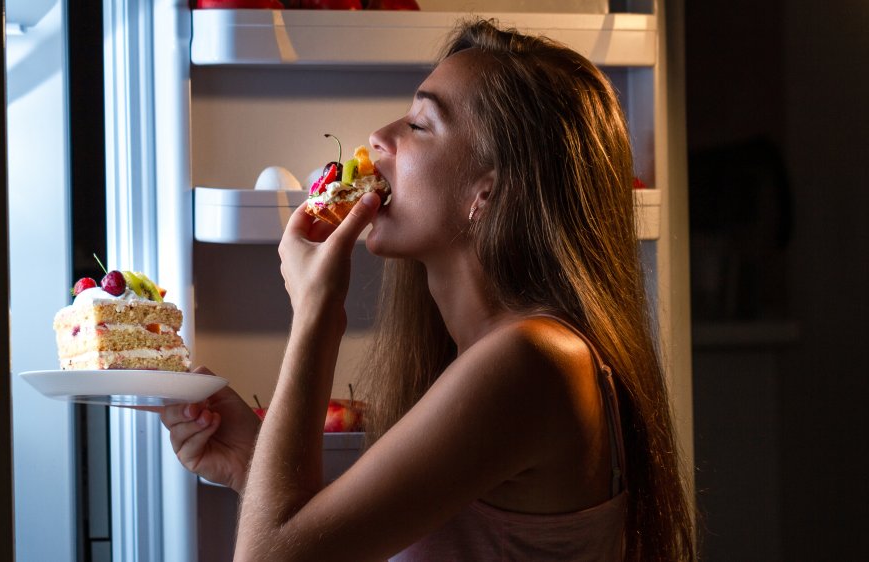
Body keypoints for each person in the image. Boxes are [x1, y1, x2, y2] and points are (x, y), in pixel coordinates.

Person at [156, 18, 696, 561]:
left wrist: (316, 311)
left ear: (488, 192)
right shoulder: (502, 360)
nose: (378, 138)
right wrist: (256, 468)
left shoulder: (531, 362)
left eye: (419, 124)